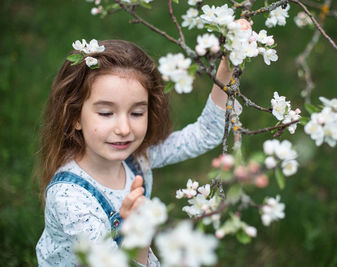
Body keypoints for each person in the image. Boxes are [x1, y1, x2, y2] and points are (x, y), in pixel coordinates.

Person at [35, 39, 237, 266]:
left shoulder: (136, 158)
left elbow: (204, 134)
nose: (124, 129)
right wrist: (138, 238)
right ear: (74, 117)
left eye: (137, 113)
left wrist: (227, 66)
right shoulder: (70, 200)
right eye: (105, 113)